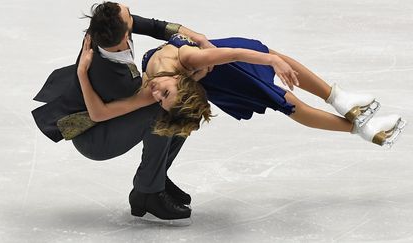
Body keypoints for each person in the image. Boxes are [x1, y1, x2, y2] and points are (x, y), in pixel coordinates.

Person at [32, 2, 214, 221]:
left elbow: (157, 27)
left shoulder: (103, 30)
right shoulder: (120, 81)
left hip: (100, 112)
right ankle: (147, 193)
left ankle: (156, 177)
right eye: (129, 17)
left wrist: (199, 38)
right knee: (167, 109)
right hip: (94, 136)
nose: (129, 10)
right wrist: (82, 73)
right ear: (124, 36)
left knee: (173, 104)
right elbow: (99, 114)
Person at [77, 33, 406, 148]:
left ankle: (339, 98)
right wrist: (81, 72)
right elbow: (99, 114)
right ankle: (359, 129)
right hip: (227, 73)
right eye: (164, 96)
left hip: (227, 60)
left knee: (279, 61)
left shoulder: (186, 62)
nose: (155, 92)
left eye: (160, 96)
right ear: (183, 82)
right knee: (287, 103)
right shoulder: (186, 63)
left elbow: (234, 53)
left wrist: (271, 60)